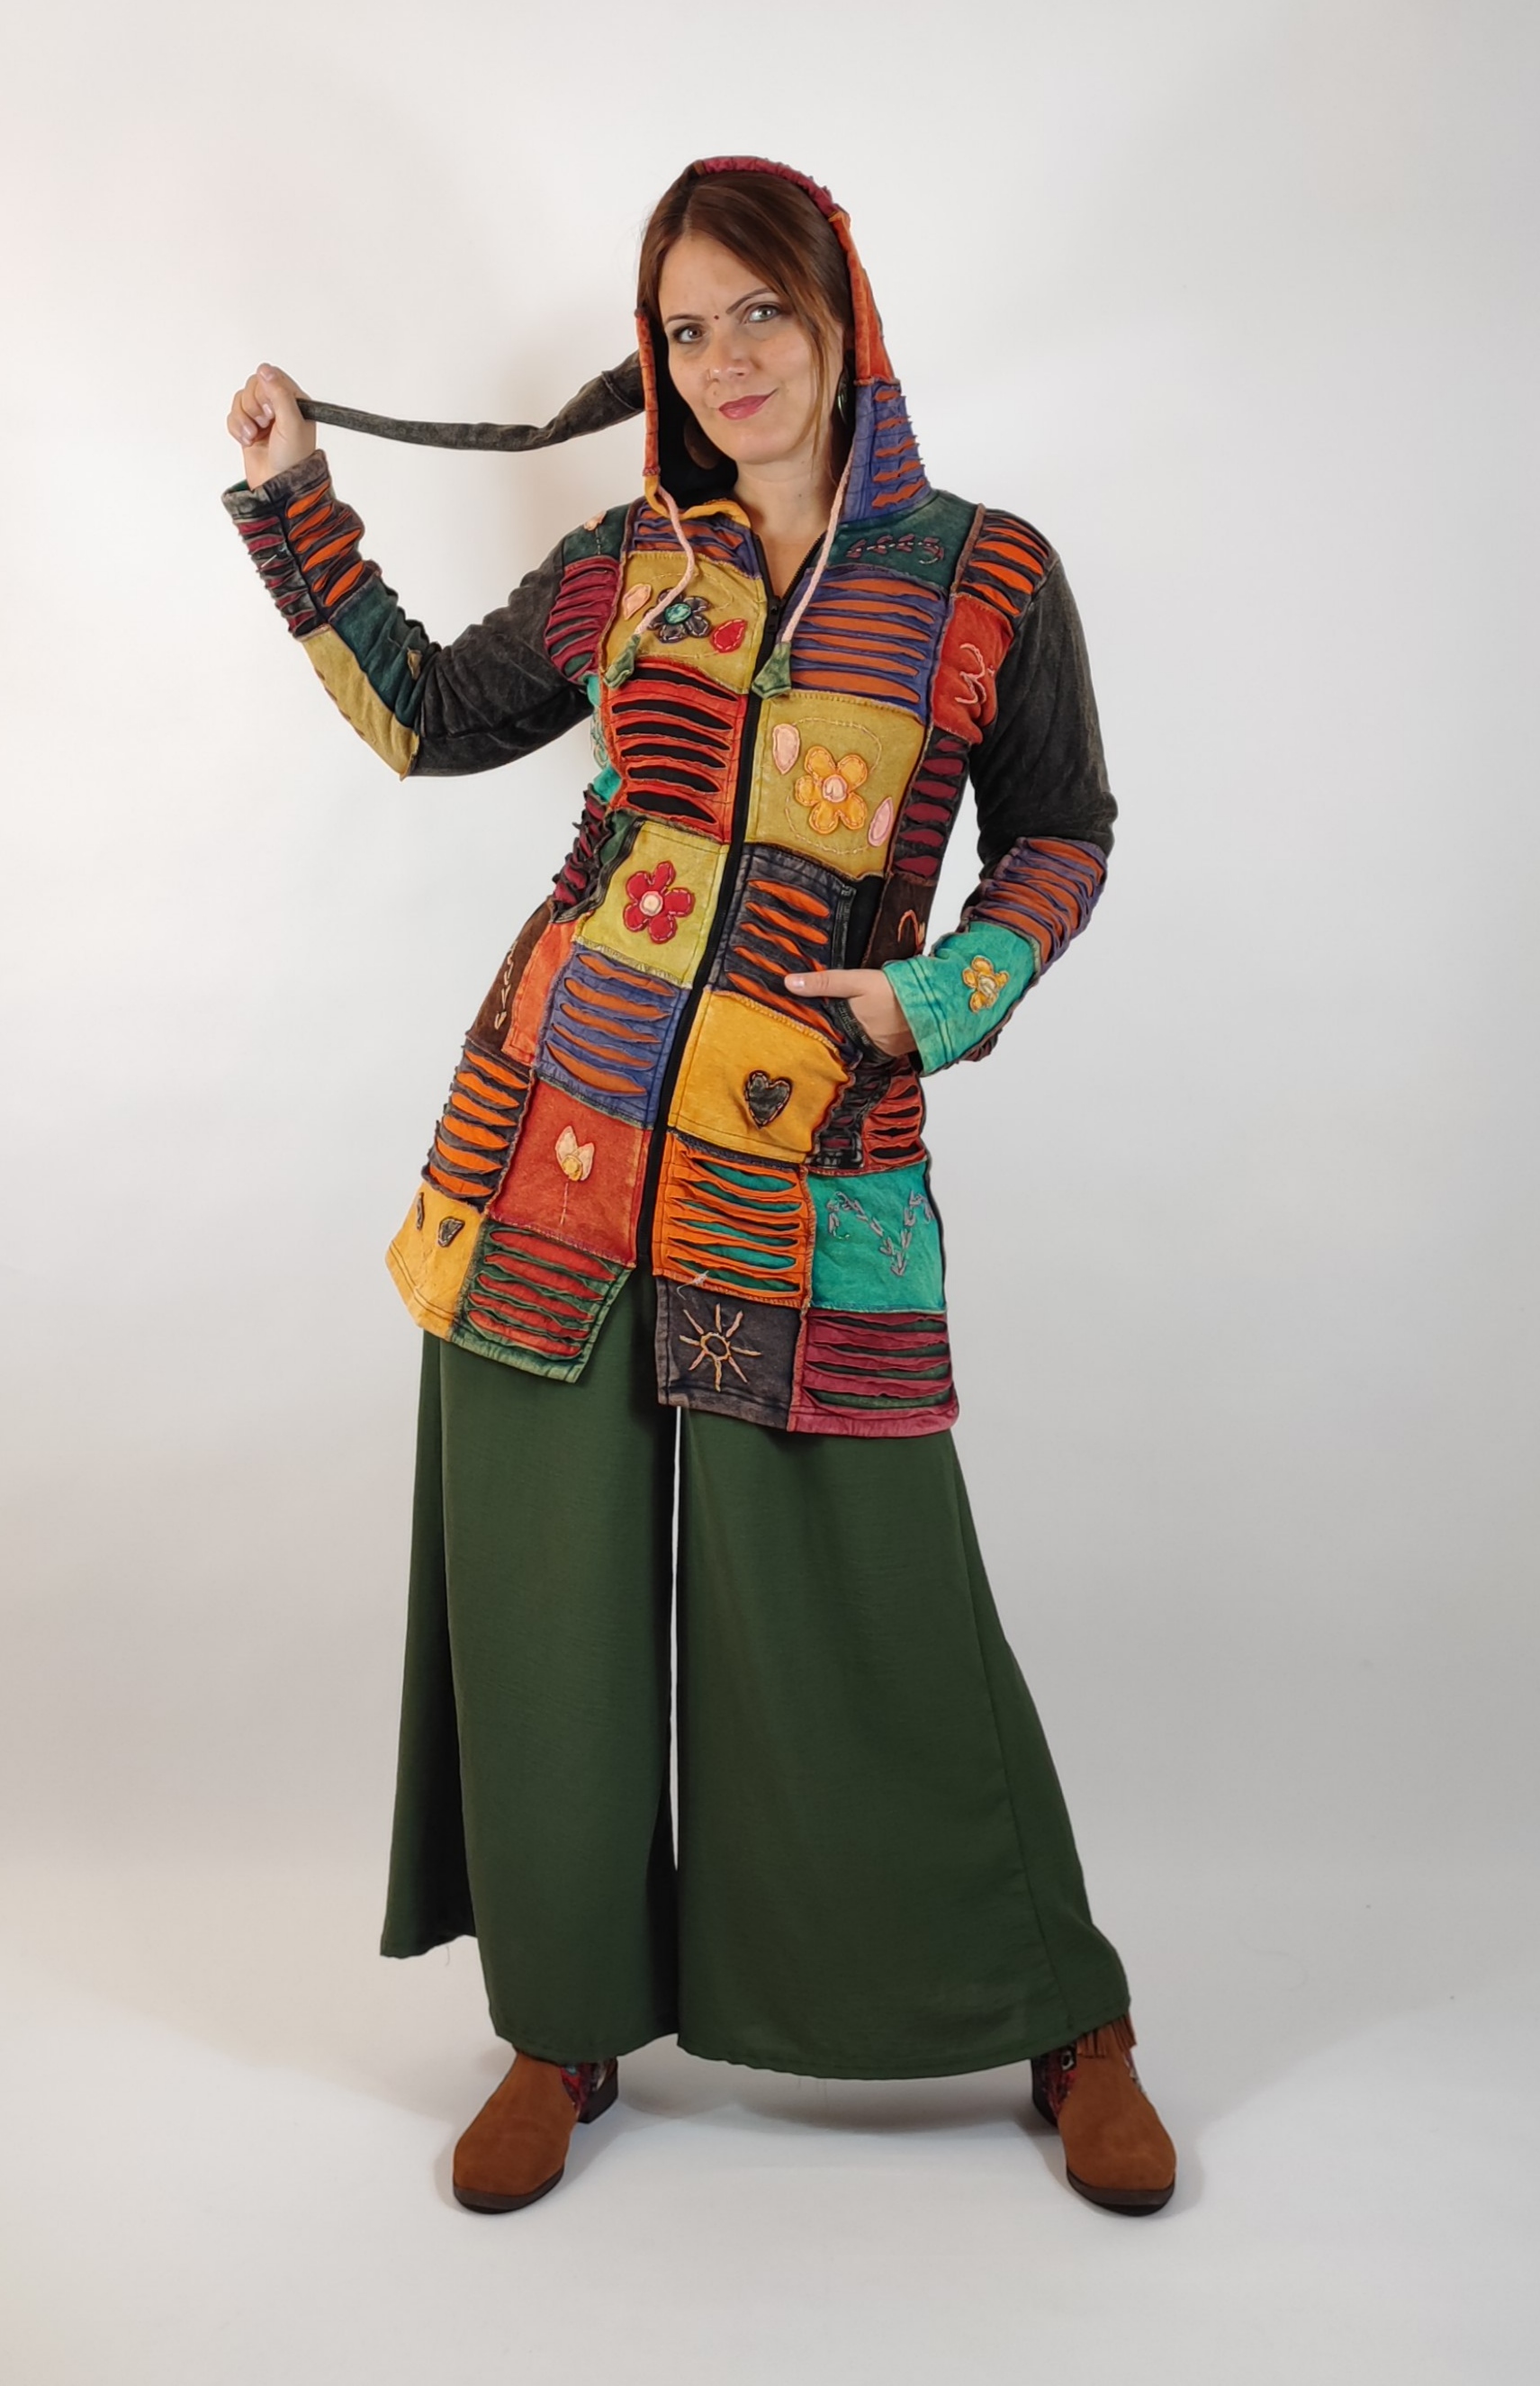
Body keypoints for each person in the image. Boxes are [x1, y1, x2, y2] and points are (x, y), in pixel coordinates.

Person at [222, 155, 1176, 2217]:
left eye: (760, 310)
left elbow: (1062, 834)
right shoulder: (624, 564)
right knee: (546, 1597)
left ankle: (1058, 2011)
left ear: (840, 318)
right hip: (551, 1140)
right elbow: (424, 716)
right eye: (685, 327)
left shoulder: (984, 573)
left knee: (873, 1600)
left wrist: (932, 999)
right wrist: (295, 498)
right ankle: (560, 2026)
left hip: (808, 1155)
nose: (727, 358)